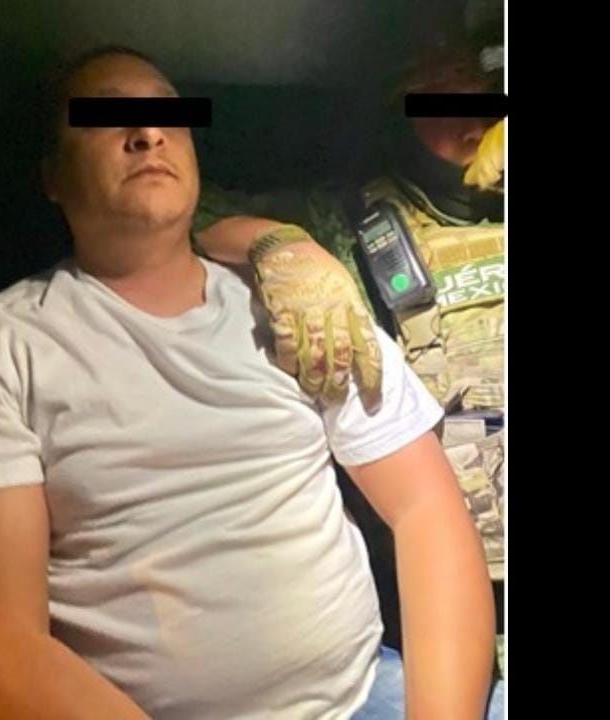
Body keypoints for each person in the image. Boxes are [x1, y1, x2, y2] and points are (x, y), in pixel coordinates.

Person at [0, 45, 500, 719]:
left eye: (169, 115)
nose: (148, 133)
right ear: (51, 176)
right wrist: (274, 235)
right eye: (103, 117)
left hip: (366, 695)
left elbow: (427, 511)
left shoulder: (303, 302)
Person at [194, 40, 508, 679]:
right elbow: (184, 214)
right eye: (439, 99)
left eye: (482, 93)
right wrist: (279, 244)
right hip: (461, 585)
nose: (470, 119)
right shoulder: (353, 221)